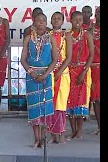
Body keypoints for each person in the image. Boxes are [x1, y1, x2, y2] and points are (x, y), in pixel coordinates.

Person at [20, 13, 57, 148]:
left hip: (46, 76)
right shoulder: (28, 38)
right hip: (32, 76)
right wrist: (32, 73)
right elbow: (23, 59)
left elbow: (55, 60)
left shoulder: (51, 38)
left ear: (46, 23)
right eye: (38, 20)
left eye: (43, 21)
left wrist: (45, 74)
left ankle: (43, 137)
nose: (41, 23)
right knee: (34, 107)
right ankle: (36, 139)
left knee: (44, 107)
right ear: (34, 22)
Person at [66, 11, 94, 140]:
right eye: (75, 19)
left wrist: (84, 71)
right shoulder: (67, 35)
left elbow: (91, 55)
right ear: (70, 20)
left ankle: (79, 131)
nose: (78, 21)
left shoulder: (87, 34)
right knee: (70, 100)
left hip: (83, 70)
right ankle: (73, 130)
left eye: (80, 19)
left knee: (81, 100)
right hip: (69, 71)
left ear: (83, 21)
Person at [47, 12, 72, 144]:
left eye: (58, 19)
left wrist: (59, 72)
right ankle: (52, 134)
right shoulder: (47, 36)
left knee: (61, 105)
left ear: (62, 21)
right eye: (54, 18)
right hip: (50, 73)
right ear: (51, 21)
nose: (56, 21)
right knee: (50, 103)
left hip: (62, 75)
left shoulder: (67, 36)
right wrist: (51, 71)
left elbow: (68, 57)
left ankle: (61, 133)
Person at [90, 7, 100, 135]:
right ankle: (99, 126)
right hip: (92, 68)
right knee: (96, 100)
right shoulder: (89, 30)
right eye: (98, 13)